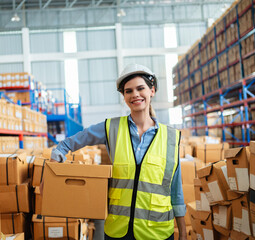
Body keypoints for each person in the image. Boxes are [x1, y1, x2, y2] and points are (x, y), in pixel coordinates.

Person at [51, 63, 187, 240]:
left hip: (157, 232)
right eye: (128, 91)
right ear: (124, 96)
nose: (135, 94)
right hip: (118, 231)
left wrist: (183, 233)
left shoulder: (171, 137)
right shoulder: (111, 128)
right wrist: (55, 161)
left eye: (140, 88)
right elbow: (69, 143)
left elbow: (175, 190)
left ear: (152, 91)